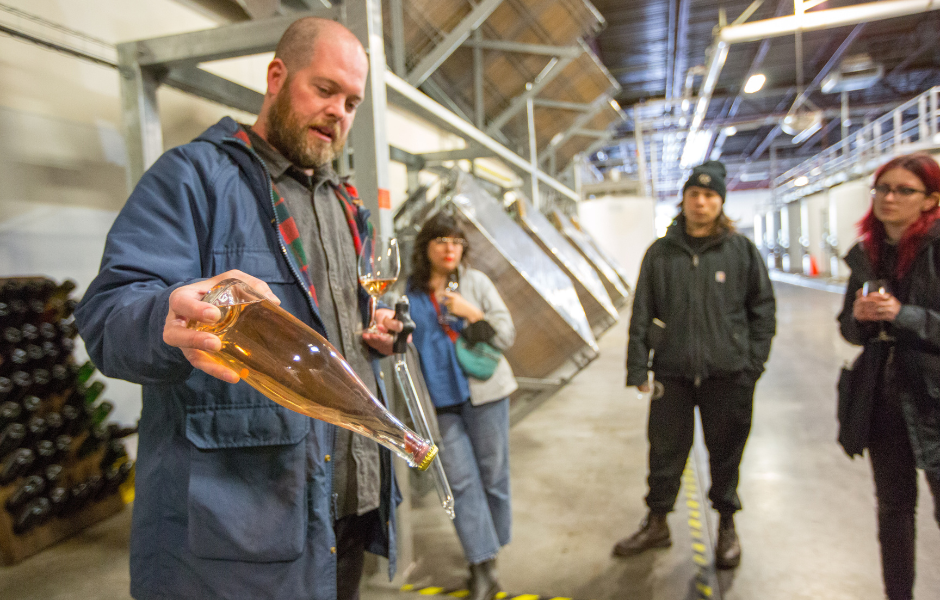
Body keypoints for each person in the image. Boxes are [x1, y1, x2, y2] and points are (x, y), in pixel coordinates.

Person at [74, 17, 403, 600]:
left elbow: (351, 321)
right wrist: (163, 318)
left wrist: (386, 330)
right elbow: (107, 315)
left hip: (347, 504)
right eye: (325, 90)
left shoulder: (345, 202)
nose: (339, 113)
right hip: (240, 528)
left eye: (352, 102)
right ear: (277, 77)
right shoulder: (192, 179)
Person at [614, 160, 776, 569]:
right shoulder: (660, 253)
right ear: (683, 200)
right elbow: (642, 312)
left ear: (721, 202)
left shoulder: (740, 251)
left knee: (726, 452)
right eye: (694, 195)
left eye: (709, 196)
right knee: (665, 452)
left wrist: (752, 363)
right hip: (673, 371)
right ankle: (657, 523)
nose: (700, 202)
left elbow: (763, 309)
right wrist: (638, 368)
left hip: (729, 373)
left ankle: (726, 525)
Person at [838, 153, 940, 600]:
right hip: (882, 398)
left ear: (931, 200)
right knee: (894, 511)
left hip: (934, 398)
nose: (889, 198)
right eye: (882, 189)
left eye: (903, 190)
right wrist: (859, 319)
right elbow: (848, 329)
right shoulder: (867, 255)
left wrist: (904, 315)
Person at [405, 212, 516, 600]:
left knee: (494, 476)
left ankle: (494, 549)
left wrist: (474, 314)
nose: (450, 248)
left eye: (456, 241)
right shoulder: (408, 292)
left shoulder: (476, 283)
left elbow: (507, 335)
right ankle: (480, 562)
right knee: (460, 482)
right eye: (441, 241)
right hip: (439, 401)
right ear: (426, 247)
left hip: (485, 394)